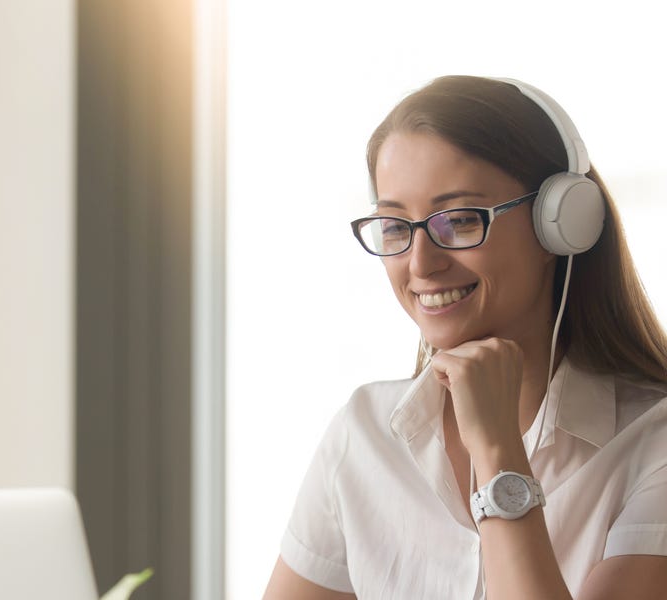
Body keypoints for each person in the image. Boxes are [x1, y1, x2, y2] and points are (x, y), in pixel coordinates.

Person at [262, 75, 667, 599]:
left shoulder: (652, 447)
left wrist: (500, 454)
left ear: (560, 225)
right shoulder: (362, 435)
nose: (421, 263)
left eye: (457, 220)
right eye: (393, 226)